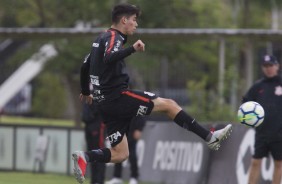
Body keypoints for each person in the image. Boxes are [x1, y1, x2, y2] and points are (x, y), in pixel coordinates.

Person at [72, 3, 232, 184]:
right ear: (124, 20)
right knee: (169, 105)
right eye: (133, 20)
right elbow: (109, 57)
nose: (135, 24)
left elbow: (85, 66)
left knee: (121, 154)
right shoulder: (113, 37)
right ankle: (210, 137)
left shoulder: (100, 38)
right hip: (118, 98)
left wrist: (86, 91)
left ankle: (85, 156)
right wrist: (133, 49)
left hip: (106, 105)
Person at [243, 55, 282, 184]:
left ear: (277, 66)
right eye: (265, 66)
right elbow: (245, 104)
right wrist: (248, 117)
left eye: (270, 65)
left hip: (279, 134)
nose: (268, 69)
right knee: (255, 162)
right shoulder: (258, 86)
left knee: (279, 164)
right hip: (262, 133)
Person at [106, 116, 146, 184]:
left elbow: (142, 112)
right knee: (118, 153)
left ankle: (134, 177)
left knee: (132, 155)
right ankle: (117, 177)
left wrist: (139, 128)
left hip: (132, 129)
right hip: (121, 129)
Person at [82, 86, 107, 184]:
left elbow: (99, 105)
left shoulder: (100, 84)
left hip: (97, 125)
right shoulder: (87, 82)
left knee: (99, 153)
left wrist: (91, 117)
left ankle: (100, 181)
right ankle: (94, 180)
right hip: (88, 125)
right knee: (91, 154)